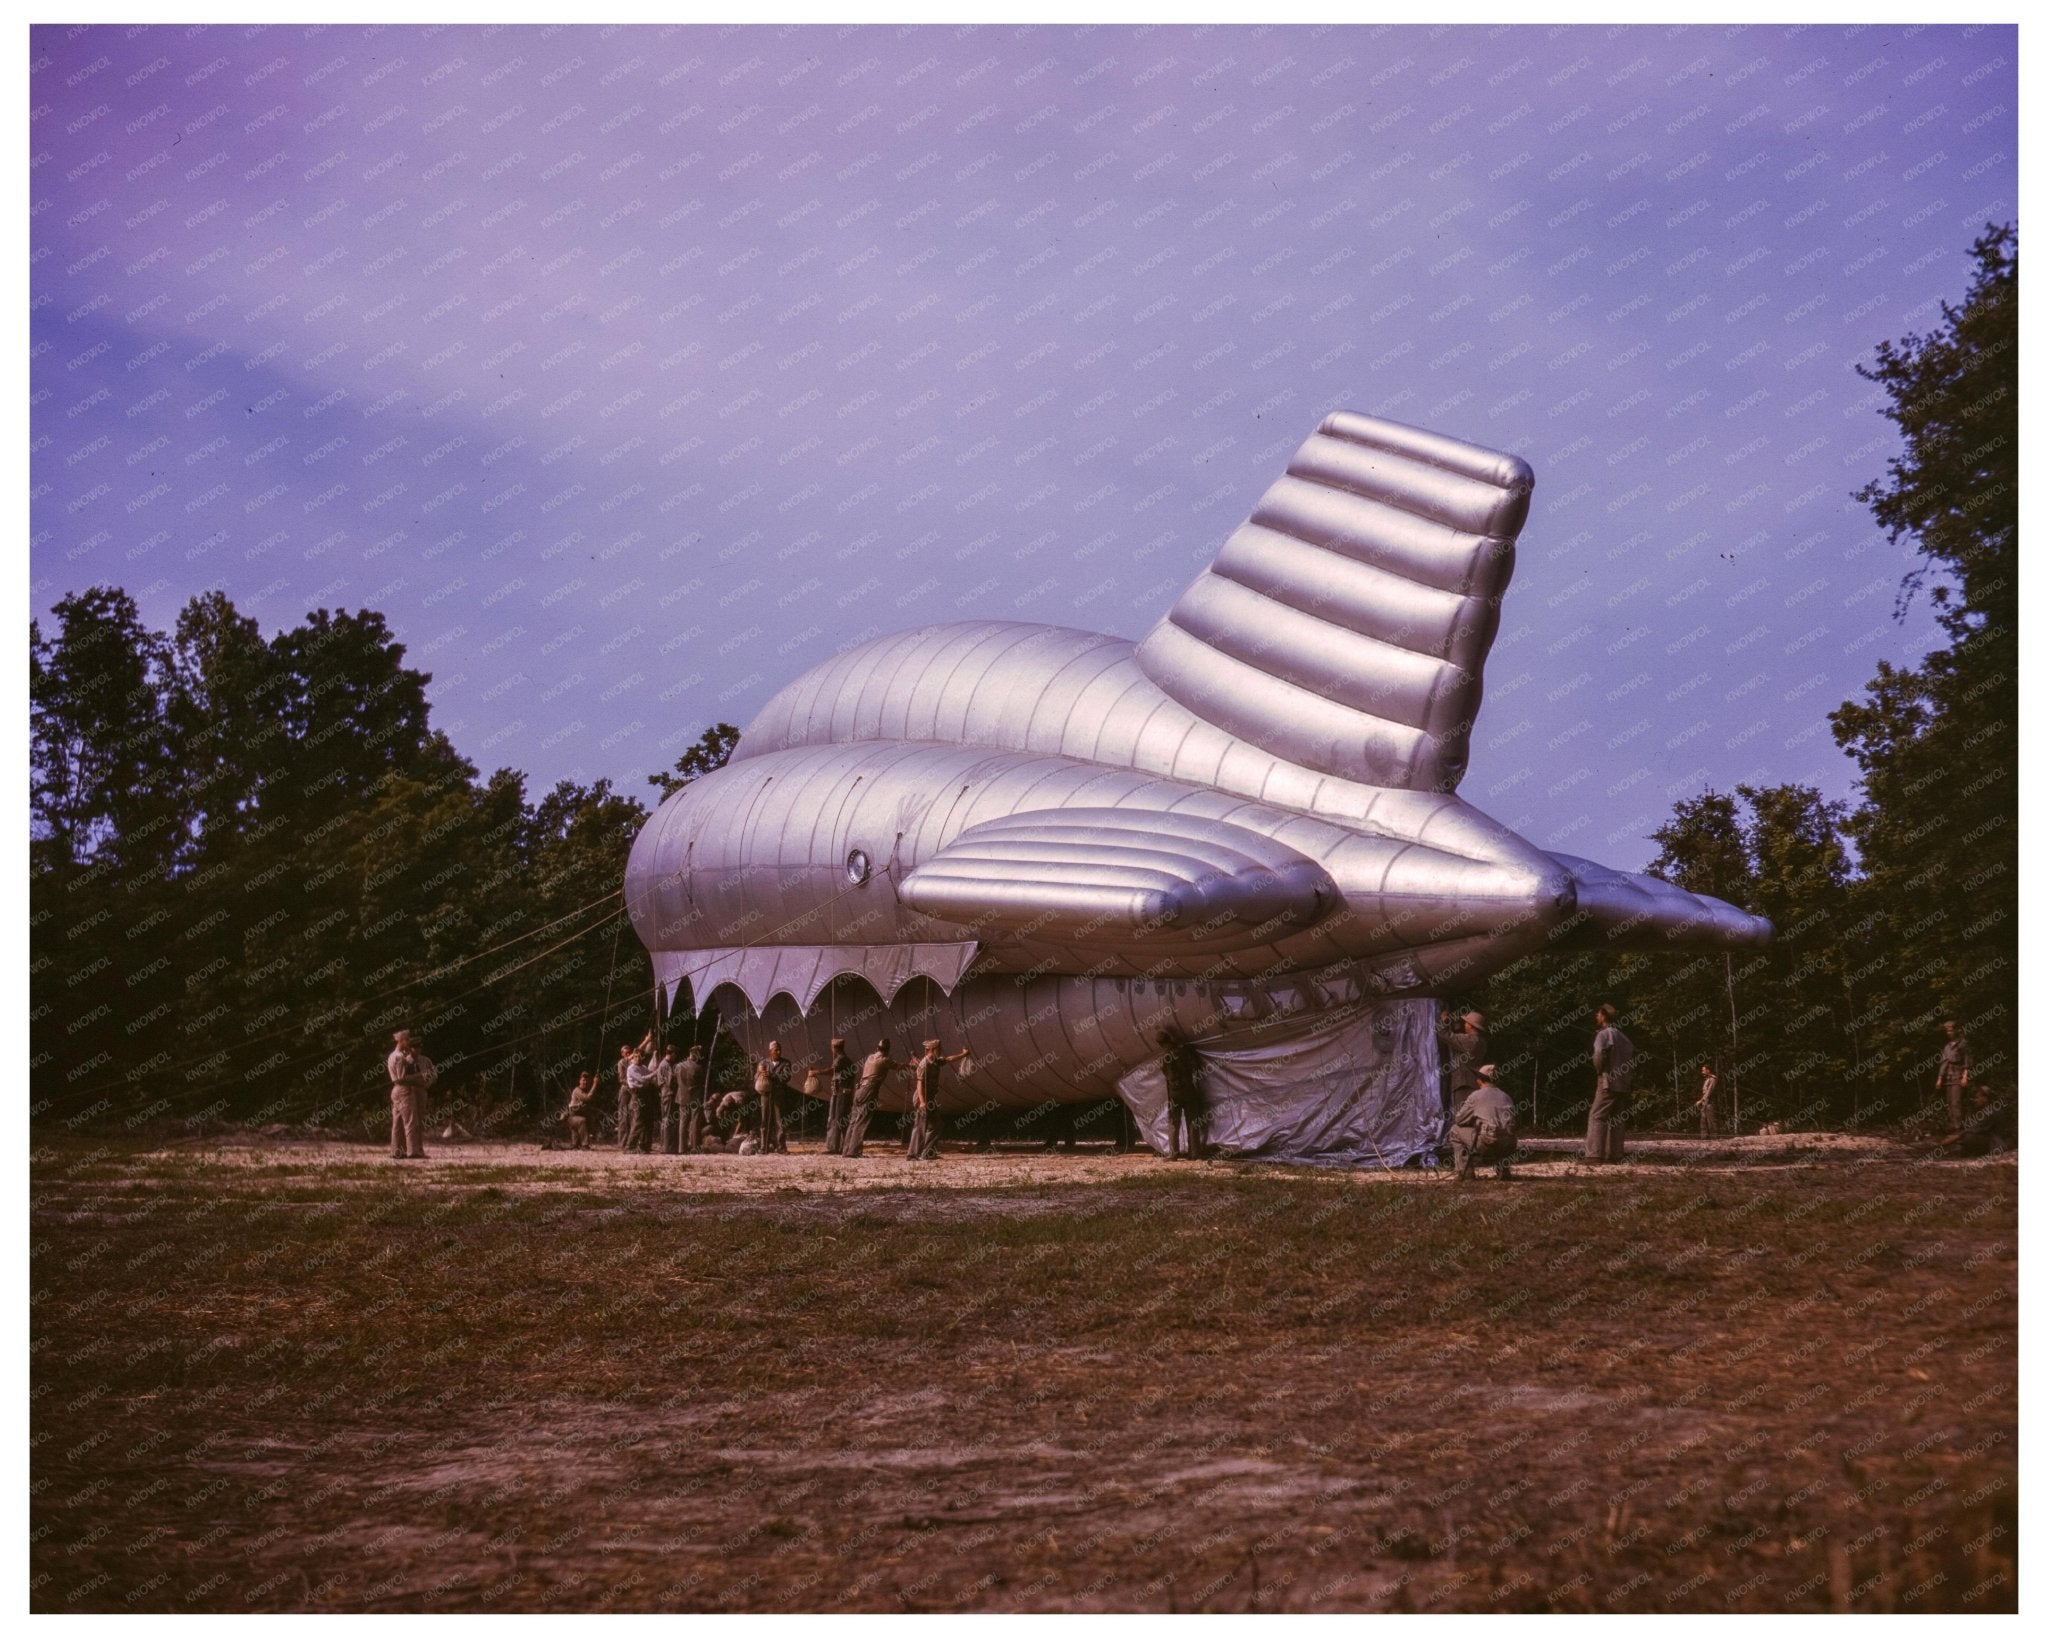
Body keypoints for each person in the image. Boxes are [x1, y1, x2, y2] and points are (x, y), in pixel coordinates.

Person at [1449, 1063, 1518, 1180]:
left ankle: (1466, 1173)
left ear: (1480, 1080)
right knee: (1502, 1134)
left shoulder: (1476, 1096)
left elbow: (1459, 1119)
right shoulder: (1506, 1096)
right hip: (1509, 1144)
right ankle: (1503, 1170)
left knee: (1455, 1130)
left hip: (1488, 1142)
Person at [1584, 1003, 1633, 1162]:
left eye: (1598, 1014)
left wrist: (1599, 1069)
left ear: (1604, 1016)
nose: (1596, 1016)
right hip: (1623, 1084)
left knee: (1597, 1116)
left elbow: (1598, 1054)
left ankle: (1594, 1155)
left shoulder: (1603, 1035)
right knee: (1617, 1119)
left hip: (1607, 1081)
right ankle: (1616, 1155)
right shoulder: (1624, 1037)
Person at [907, 1038, 970, 1161]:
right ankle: (912, 1155)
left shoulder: (935, 1061)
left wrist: (963, 1054)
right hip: (922, 1098)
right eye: (938, 1049)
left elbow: (948, 1059)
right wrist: (922, 1102)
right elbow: (919, 1084)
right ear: (931, 1049)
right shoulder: (924, 1064)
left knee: (937, 1125)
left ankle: (928, 1153)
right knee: (920, 1126)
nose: (940, 1051)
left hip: (930, 1098)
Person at [1436, 1009, 1488, 1139]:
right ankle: (1474, 1145)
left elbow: (1444, 1035)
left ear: (1470, 1026)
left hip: (1463, 1084)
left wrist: (1444, 1020)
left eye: (1466, 1023)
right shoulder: (1481, 1042)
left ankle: (1464, 1146)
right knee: (1472, 1116)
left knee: (1462, 1117)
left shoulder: (1470, 1041)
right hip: (1473, 1082)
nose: (1464, 1025)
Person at [387, 1028, 436, 1160]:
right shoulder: (400, 1057)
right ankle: (414, 1151)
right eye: (408, 1040)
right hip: (404, 1090)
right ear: (401, 1040)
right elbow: (401, 1078)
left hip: (398, 1090)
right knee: (411, 1122)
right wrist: (420, 1076)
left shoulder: (392, 1055)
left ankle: (397, 1151)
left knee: (397, 1122)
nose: (409, 1043)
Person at [1159, 1028, 1208, 1160]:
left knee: (1174, 1123)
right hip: (1190, 1089)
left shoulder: (1166, 1057)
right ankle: (1194, 1154)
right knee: (1192, 1122)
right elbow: (1195, 1065)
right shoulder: (1184, 1051)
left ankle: (1174, 1154)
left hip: (1175, 1092)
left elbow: (1168, 1075)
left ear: (1162, 1044)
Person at [843, 1039, 895, 1157]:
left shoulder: (870, 1057)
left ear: (877, 1048)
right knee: (861, 1122)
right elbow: (898, 1066)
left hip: (859, 1089)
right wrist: (911, 1065)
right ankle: (854, 1152)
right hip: (869, 1091)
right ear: (887, 1050)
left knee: (853, 1121)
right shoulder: (885, 1060)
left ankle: (846, 1150)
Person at [624, 1038, 661, 1153]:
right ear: (632, 1058)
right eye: (635, 1056)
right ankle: (629, 1146)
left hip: (646, 1095)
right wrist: (655, 1073)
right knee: (638, 1122)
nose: (638, 1057)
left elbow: (649, 1076)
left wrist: (655, 1058)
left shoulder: (643, 1067)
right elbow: (642, 1079)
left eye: (639, 1056)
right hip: (637, 1095)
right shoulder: (631, 1069)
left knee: (648, 1121)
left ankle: (645, 1146)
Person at [1935, 1020, 1972, 1135]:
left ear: (1955, 1030)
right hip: (1949, 1077)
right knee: (1950, 1102)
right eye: (1947, 1031)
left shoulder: (1963, 1043)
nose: (1949, 1032)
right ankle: (1952, 1127)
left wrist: (1965, 1076)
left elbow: (1967, 1060)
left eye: (1951, 1030)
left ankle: (1959, 1128)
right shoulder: (1947, 1047)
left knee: (1957, 1102)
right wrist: (1940, 1078)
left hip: (1958, 1074)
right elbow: (1944, 1063)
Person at [755, 1041, 791, 1154]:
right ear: (770, 1051)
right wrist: (759, 1073)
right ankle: (763, 1147)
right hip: (765, 1095)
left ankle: (781, 1147)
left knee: (780, 1121)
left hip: (778, 1095)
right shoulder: (763, 1063)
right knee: (764, 1120)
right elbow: (755, 1077)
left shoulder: (786, 1063)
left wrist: (771, 1075)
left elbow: (786, 1077)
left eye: (779, 1049)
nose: (778, 1052)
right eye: (776, 1050)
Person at [825, 1038, 855, 1154]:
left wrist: (816, 1072)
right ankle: (841, 1146)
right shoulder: (846, 1060)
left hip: (841, 1093)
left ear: (835, 1048)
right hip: (842, 1092)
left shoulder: (841, 1060)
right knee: (840, 1119)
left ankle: (836, 1147)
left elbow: (832, 1071)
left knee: (837, 1119)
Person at [675, 1043, 706, 1152]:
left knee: (683, 1123)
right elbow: (702, 1082)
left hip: (682, 1097)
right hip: (695, 1098)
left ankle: (681, 1148)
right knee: (695, 1122)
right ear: (696, 1054)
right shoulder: (698, 1068)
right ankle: (694, 1147)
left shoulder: (678, 1066)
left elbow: (675, 1080)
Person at [656, 1043, 681, 1154]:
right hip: (669, 1094)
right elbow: (670, 1082)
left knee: (666, 1119)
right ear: (673, 1053)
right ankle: (668, 1147)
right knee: (668, 1120)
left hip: (665, 1094)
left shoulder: (663, 1064)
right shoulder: (666, 1065)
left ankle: (666, 1146)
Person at [564, 1071, 596, 1149]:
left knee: (589, 1118)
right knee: (582, 1120)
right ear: (579, 1081)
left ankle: (578, 1142)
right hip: (572, 1117)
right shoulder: (577, 1090)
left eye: (586, 1080)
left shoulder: (585, 1090)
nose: (585, 1082)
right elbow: (587, 1098)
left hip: (577, 1117)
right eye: (583, 1080)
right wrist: (595, 1084)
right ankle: (585, 1145)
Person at [1694, 1063, 1718, 1137]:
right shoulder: (1707, 1079)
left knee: (1710, 1121)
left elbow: (1709, 1092)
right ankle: (1704, 1138)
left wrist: (1700, 1101)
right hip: (1705, 1102)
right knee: (1703, 1121)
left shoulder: (1713, 1079)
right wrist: (1702, 1101)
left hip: (1710, 1102)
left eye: (1703, 1070)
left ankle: (1714, 1138)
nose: (1702, 1072)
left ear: (1708, 1070)